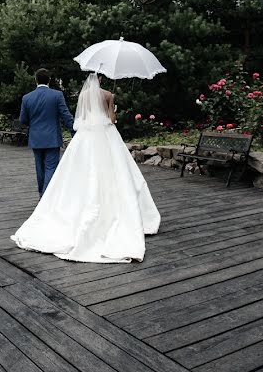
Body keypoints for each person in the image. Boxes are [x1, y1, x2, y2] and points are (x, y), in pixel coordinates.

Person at [11, 72, 161, 263]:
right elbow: (111, 120)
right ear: (101, 79)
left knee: (46, 170)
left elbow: (72, 118)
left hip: (67, 138)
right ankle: (46, 198)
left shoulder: (75, 96)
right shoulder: (106, 95)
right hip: (100, 137)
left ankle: (46, 198)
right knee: (92, 170)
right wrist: (111, 107)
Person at [19, 68, 75, 197]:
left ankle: (41, 195)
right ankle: (46, 198)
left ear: (36, 80)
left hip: (36, 138)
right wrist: (73, 131)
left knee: (40, 168)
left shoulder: (27, 98)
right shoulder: (57, 95)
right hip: (52, 138)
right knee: (51, 168)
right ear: (49, 80)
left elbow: (23, 119)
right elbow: (66, 116)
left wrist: (33, 125)